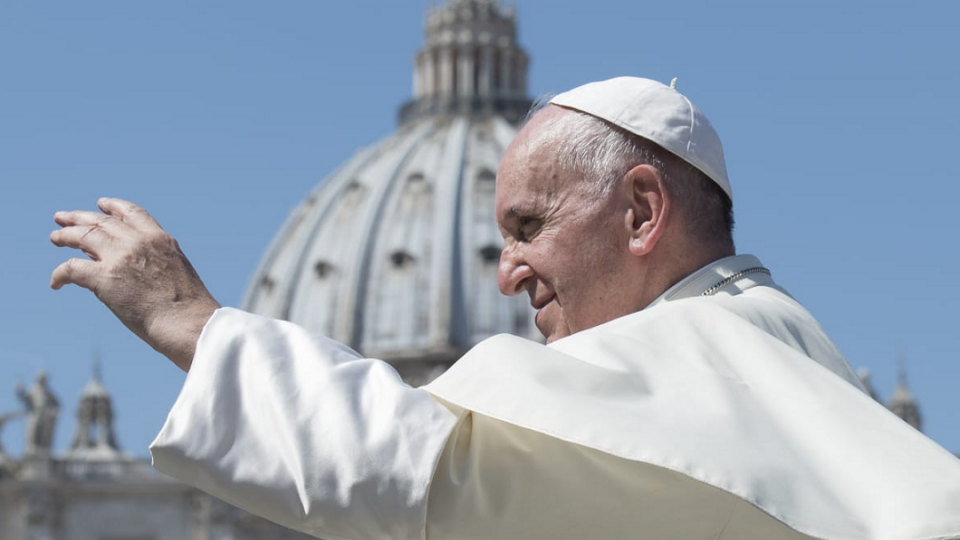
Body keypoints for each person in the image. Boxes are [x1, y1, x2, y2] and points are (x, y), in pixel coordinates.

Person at [50, 77, 960, 540]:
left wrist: (191, 322)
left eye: (528, 228)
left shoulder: (694, 358)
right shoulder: (788, 357)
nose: (506, 273)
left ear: (642, 212)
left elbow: (418, 467)